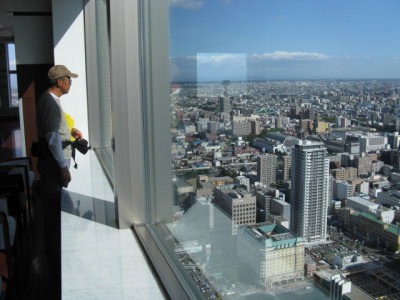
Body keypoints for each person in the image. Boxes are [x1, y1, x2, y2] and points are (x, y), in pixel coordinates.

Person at [35, 65, 82, 299]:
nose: (70, 83)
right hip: (54, 166)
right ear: (59, 81)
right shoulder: (50, 101)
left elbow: (56, 130)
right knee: (54, 208)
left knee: (55, 208)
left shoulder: (50, 101)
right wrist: (63, 167)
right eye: (69, 80)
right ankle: (54, 258)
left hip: (53, 164)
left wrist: (70, 130)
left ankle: (54, 254)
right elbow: (52, 137)